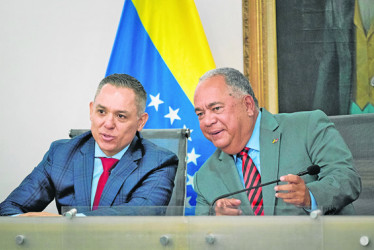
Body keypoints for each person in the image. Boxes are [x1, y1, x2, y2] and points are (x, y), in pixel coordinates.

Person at [0, 73, 178, 216]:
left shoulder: (159, 162)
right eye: (101, 111)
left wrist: (64, 224)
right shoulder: (61, 154)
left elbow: (139, 214)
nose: (108, 124)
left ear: (140, 122)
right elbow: (9, 209)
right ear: (91, 111)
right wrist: (28, 221)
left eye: (121, 116)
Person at [193, 67, 361, 216]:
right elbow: (200, 237)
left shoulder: (307, 127)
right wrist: (216, 222)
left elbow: (346, 178)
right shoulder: (205, 178)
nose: (207, 121)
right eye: (200, 114)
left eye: (216, 109)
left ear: (248, 105)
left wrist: (310, 196)